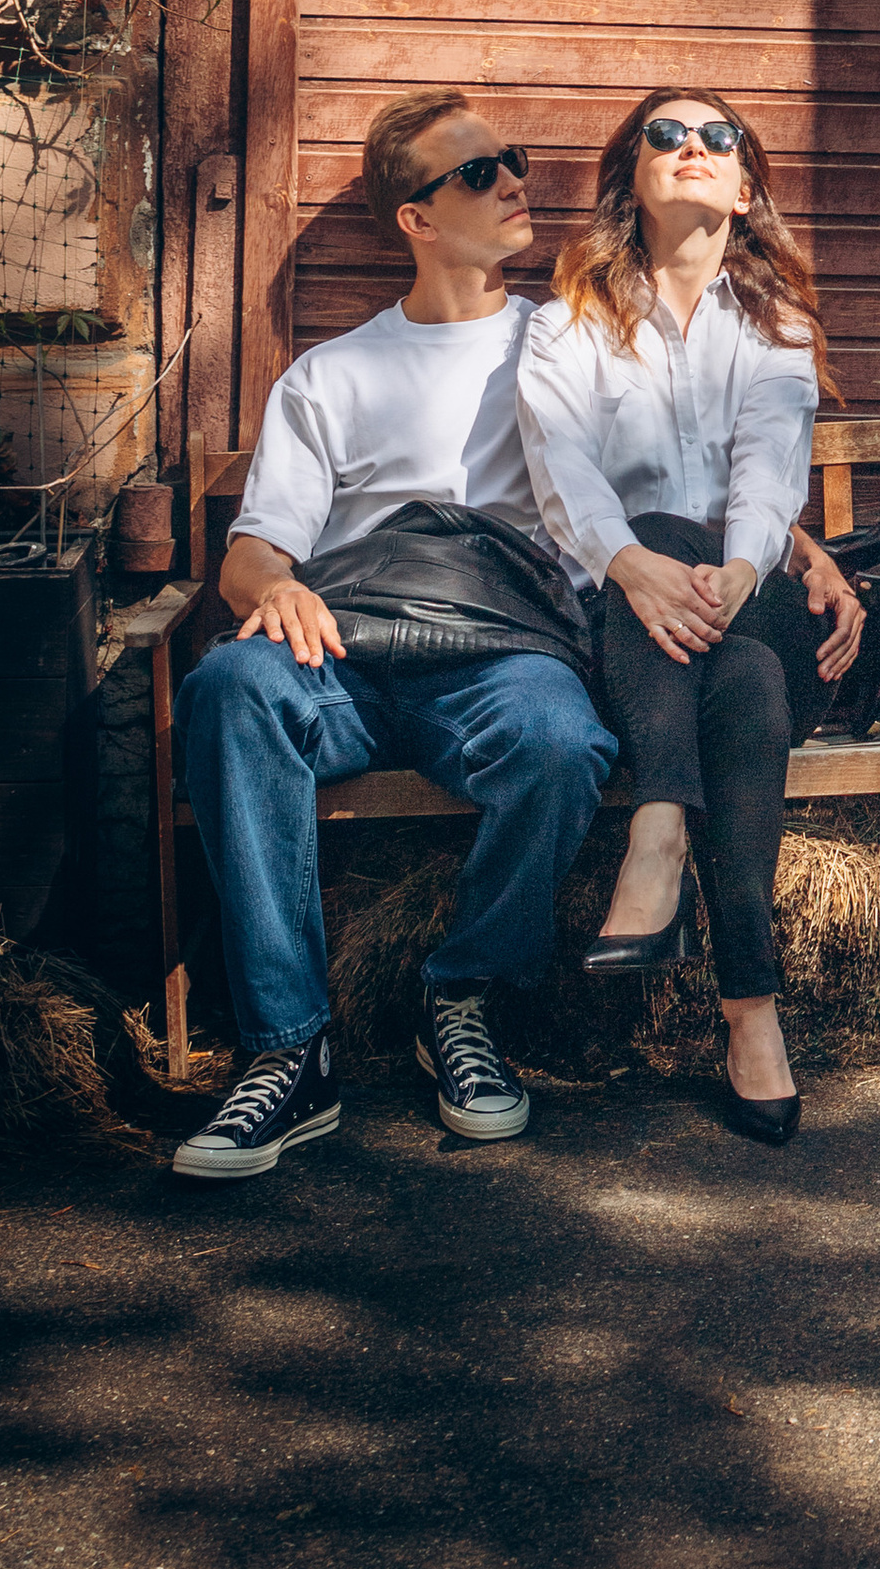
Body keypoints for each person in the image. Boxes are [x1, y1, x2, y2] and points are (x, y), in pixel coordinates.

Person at [170, 90, 616, 1179]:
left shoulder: (568, 344)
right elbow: (254, 551)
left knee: (563, 746)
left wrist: (787, 549)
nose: (515, 182)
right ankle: (290, 1050)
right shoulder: (333, 374)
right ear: (414, 217)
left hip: (503, 652)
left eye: (511, 160)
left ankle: (460, 998)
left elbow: (676, 479)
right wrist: (271, 589)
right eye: (477, 173)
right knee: (230, 688)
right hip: (351, 652)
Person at [518, 88, 845, 1148]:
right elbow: (561, 469)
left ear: (745, 190)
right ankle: (753, 1014)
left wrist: (737, 572)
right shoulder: (564, 323)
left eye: (719, 139)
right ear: (633, 177)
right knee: (737, 668)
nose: (693, 148)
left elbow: (764, 480)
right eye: (668, 135)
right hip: (624, 615)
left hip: (740, 596)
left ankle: (659, 825)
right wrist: (634, 562)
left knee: (731, 620)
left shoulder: (778, 328)